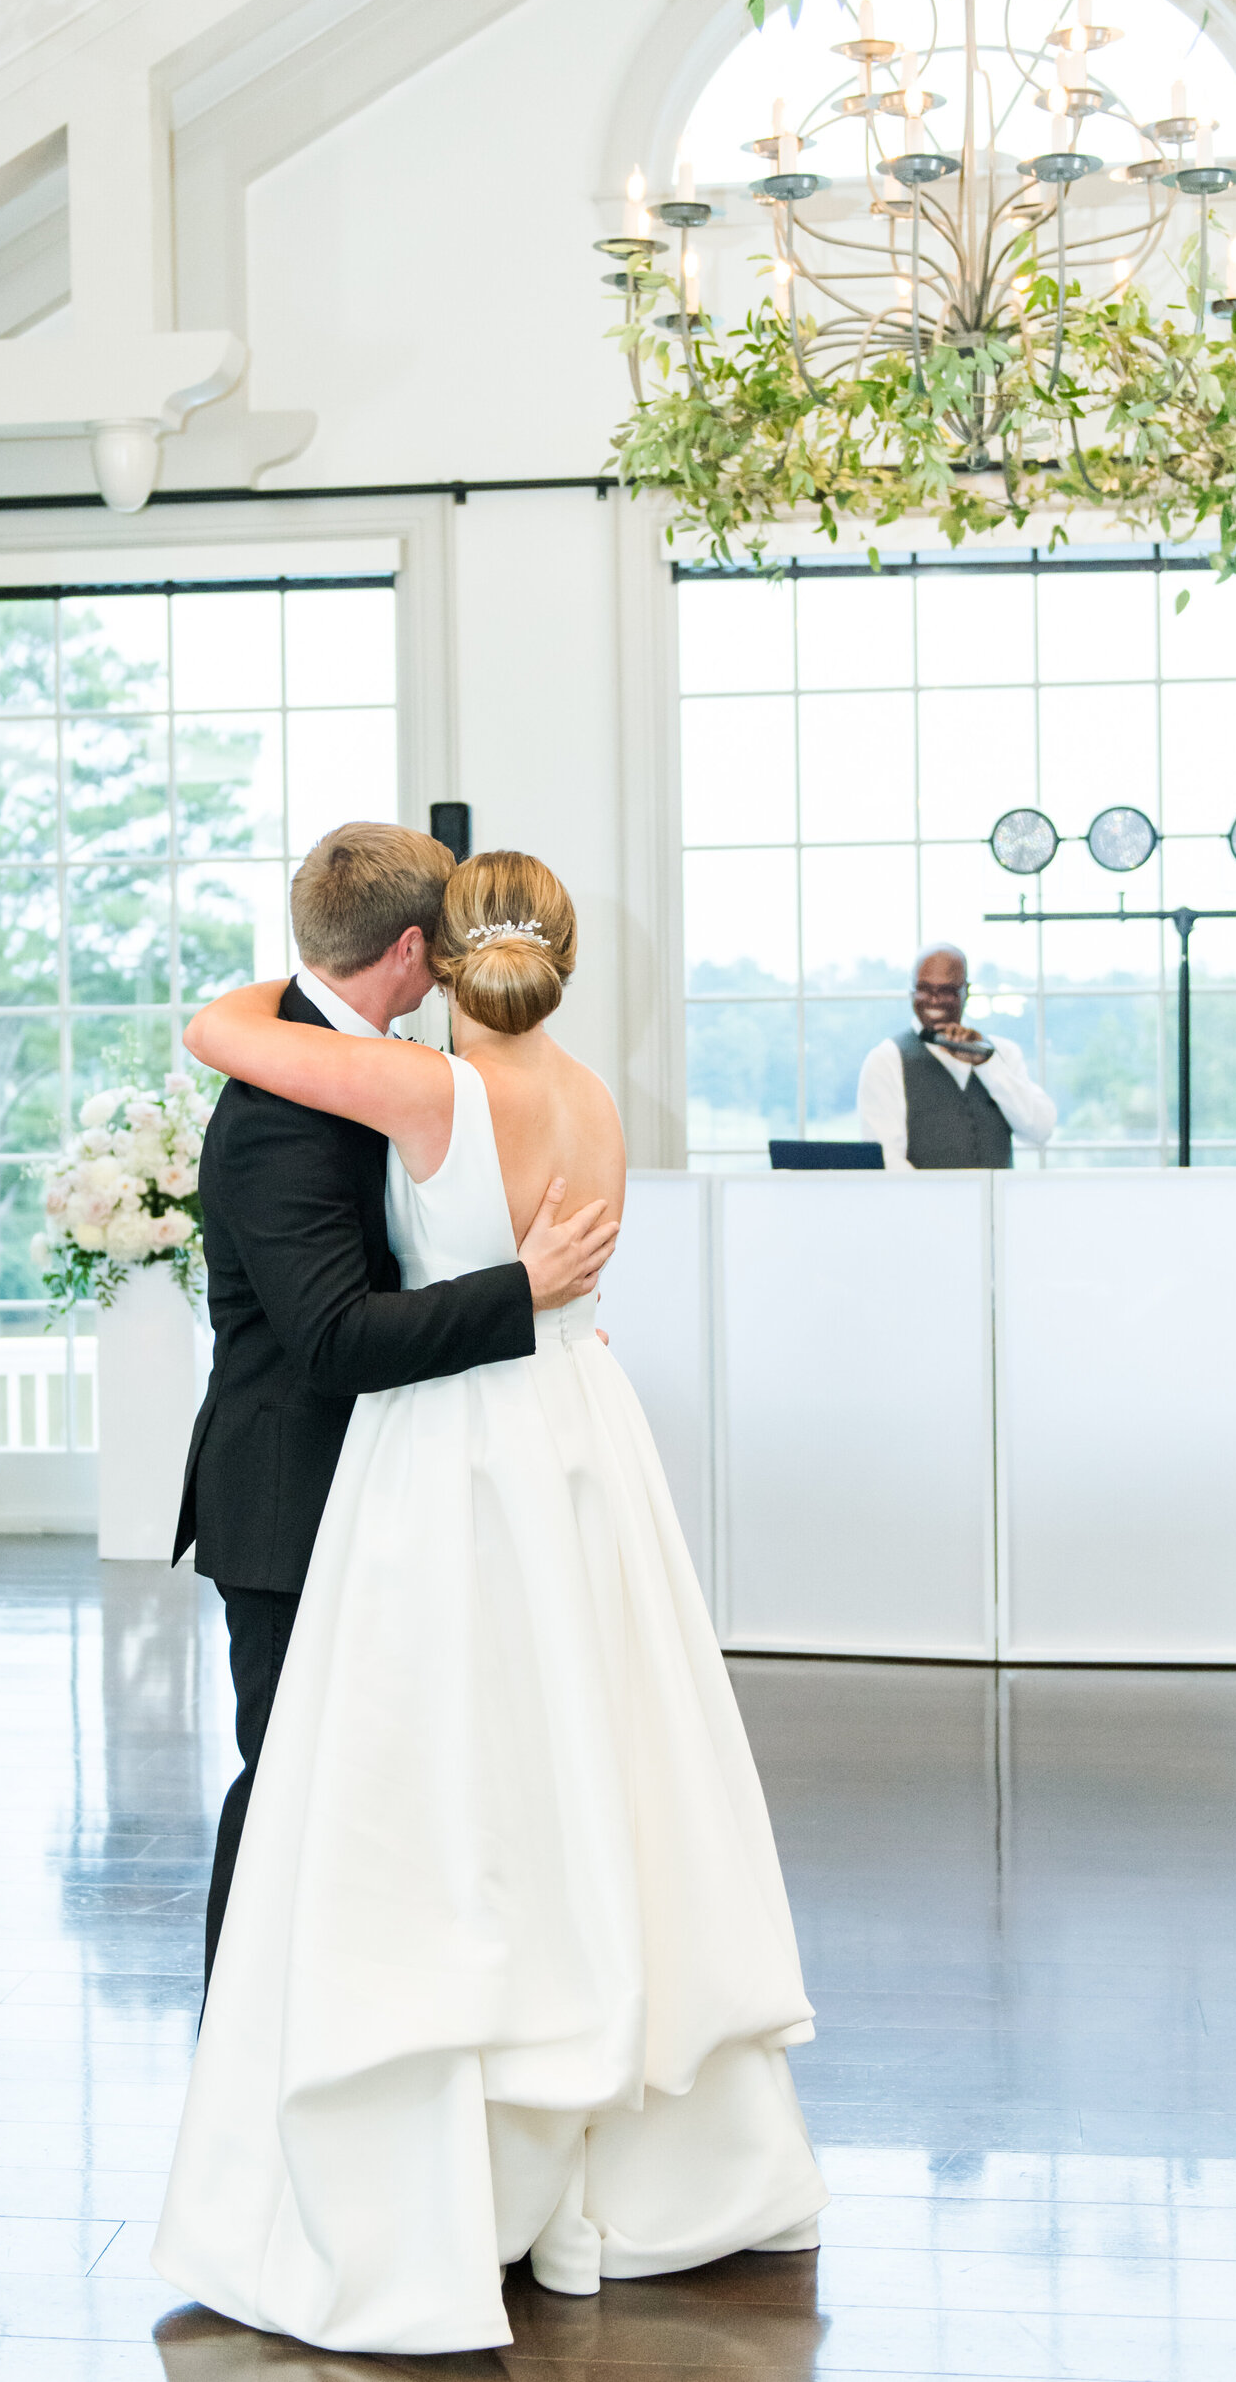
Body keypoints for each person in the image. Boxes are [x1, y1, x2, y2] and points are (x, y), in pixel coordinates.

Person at [153, 850, 827, 2355]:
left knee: (430, 1800)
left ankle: (406, 2123)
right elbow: (342, 1315)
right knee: (562, 1774)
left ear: (442, 957)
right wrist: (529, 1292)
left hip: (460, 1456)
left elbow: (218, 1027)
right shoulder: (587, 1094)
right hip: (568, 1446)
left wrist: (512, 1288)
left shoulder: (423, 1090)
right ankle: (519, 2112)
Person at [174, 822, 619, 1990]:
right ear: (415, 950)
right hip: (294, 1492)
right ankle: (239, 2030)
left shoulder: (373, 1066)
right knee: (286, 1784)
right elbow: (329, 1340)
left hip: (404, 1475)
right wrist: (522, 1298)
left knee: (379, 1788)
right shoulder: (284, 1097)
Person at [856, 941, 1055, 1169]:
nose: (933, 1000)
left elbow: (1040, 1131)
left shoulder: (1003, 1053)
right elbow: (887, 1160)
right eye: (923, 989)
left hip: (998, 1204)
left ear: (966, 991)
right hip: (923, 1203)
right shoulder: (886, 1059)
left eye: (946, 991)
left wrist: (986, 1065)